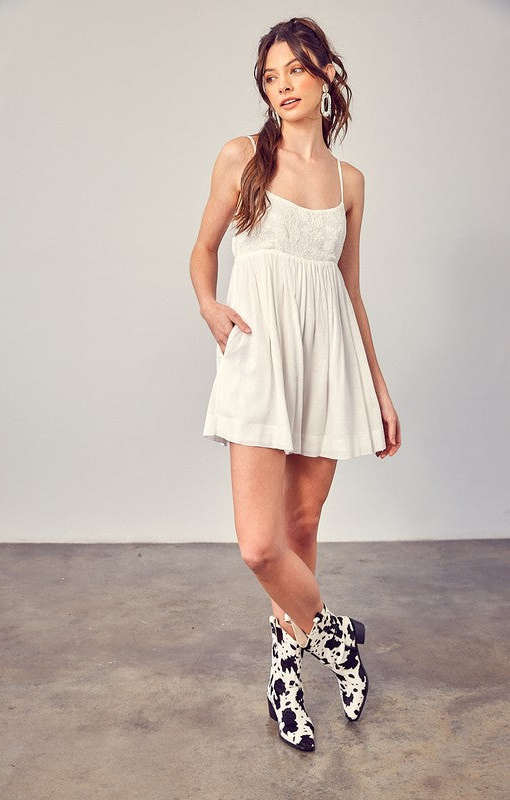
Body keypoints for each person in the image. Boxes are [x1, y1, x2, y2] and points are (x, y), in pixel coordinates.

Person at [189, 16, 401, 752]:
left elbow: (350, 287)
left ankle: (285, 680)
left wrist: (376, 386)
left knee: (303, 529)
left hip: (328, 360)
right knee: (258, 545)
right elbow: (202, 250)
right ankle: (337, 640)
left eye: (294, 71)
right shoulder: (242, 156)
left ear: (326, 77)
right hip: (259, 360)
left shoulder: (350, 182)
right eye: (270, 76)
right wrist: (209, 304)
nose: (280, 86)